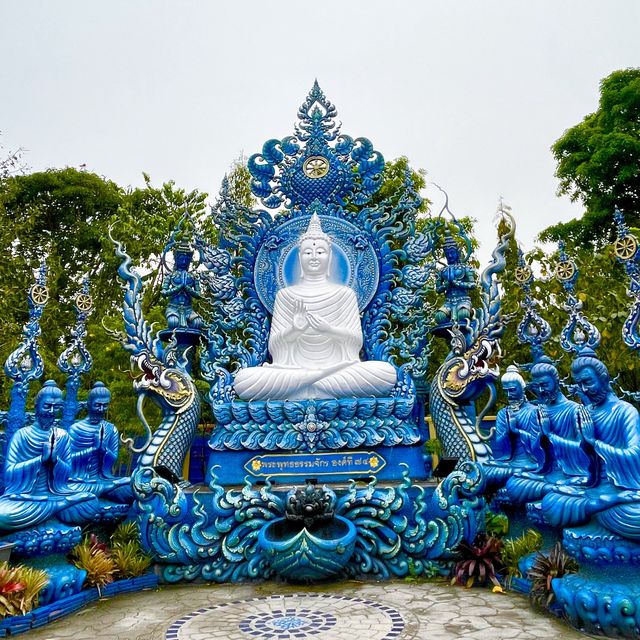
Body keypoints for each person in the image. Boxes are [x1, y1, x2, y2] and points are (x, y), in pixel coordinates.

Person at [233, 213, 397, 400]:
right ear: (299, 258)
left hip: (338, 369)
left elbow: (355, 342)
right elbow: (275, 347)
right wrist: (294, 330)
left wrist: (329, 330)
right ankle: (318, 388)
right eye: (307, 252)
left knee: (385, 373)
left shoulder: (344, 294)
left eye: (320, 252)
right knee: (244, 380)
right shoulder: (285, 295)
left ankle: (303, 389)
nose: (314, 257)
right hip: (293, 371)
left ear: (330, 257)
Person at [541, 349, 640, 541]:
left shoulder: (625, 411)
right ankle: (605, 503)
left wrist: (594, 443)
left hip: (624, 492)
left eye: (588, 382)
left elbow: (635, 455)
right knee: (552, 502)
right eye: (579, 384)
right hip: (595, 489)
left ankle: (604, 505)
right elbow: (581, 463)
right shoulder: (585, 413)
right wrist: (583, 445)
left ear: (604, 380)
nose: (584, 390)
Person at [0, 381, 96, 532]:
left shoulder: (62, 436)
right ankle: (54, 512)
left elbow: (67, 475)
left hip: (55, 496)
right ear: (37, 405)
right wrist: (41, 460)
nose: (51, 411)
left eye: (56, 407)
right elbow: (9, 473)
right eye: (47, 406)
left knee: (90, 501)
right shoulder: (22, 435)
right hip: (25, 499)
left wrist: (55, 460)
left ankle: (53, 510)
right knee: (2, 516)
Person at [505, 357, 592, 506]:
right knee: (514, 484)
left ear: (556, 382)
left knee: (556, 501)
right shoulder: (538, 412)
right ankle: (553, 491)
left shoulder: (575, 410)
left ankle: (557, 494)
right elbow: (534, 455)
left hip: (570, 473)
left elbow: (584, 453)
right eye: (537, 386)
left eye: (545, 385)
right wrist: (539, 435)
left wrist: (549, 434)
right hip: (547, 473)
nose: (540, 391)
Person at [481, 365, 546, 492]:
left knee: (520, 477)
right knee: (483, 470)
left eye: (512, 390)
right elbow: (501, 447)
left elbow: (539, 445)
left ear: (522, 388)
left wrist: (516, 431)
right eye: (505, 391)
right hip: (510, 462)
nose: (509, 395)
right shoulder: (502, 414)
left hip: (529, 463)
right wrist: (507, 432)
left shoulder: (534, 412)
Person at [68, 382, 132, 504]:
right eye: (97, 405)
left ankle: (104, 490)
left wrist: (104, 451)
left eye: (105, 405)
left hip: (103, 480)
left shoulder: (111, 429)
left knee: (131, 488)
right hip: (80, 482)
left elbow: (113, 458)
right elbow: (67, 461)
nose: (101, 409)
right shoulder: (75, 429)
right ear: (88, 404)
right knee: (78, 494)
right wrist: (93, 449)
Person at [433, 232, 475, 330]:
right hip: (449, 301)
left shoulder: (465, 268)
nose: (450, 256)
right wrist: (446, 285)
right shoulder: (442, 271)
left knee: (463, 315)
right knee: (439, 317)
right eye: (447, 254)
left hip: (463, 299)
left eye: (452, 253)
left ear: (457, 252)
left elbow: (473, 285)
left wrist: (459, 284)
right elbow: (438, 289)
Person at [162, 241, 203, 330]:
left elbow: (199, 295)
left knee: (197, 323)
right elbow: (164, 292)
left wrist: (187, 288)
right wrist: (179, 287)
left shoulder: (193, 277)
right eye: (181, 259)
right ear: (177, 259)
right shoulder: (170, 275)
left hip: (188, 309)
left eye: (187, 259)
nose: (184, 261)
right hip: (173, 308)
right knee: (173, 322)